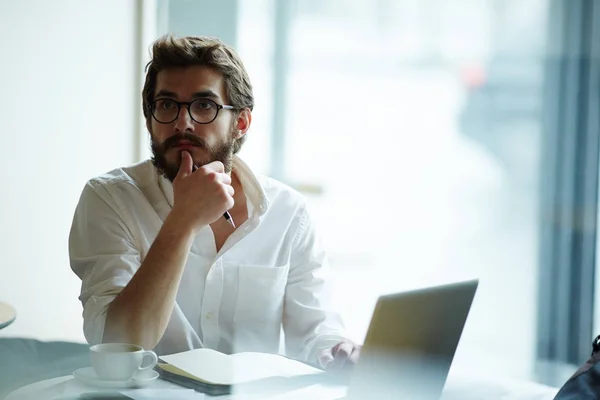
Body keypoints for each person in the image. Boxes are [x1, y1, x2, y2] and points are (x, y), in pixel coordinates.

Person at [69, 34, 359, 371]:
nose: (182, 123)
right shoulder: (110, 198)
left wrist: (339, 351)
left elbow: (316, 334)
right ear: (149, 120)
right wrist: (183, 222)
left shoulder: (287, 213)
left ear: (241, 122)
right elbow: (116, 347)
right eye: (166, 105)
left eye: (204, 105)